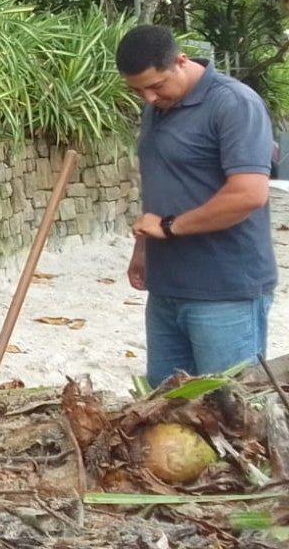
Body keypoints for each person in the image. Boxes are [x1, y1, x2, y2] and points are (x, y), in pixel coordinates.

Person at [116, 25, 276, 387]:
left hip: (226, 292)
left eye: (156, 86)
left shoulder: (234, 104)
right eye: (137, 90)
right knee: (164, 408)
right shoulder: (158, 107)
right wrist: (143, 248)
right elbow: (164, 182)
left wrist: (169, 227)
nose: (148, 98)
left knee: (228, 408)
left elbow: (249, 194)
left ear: (181, 61)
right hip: (166, 289)